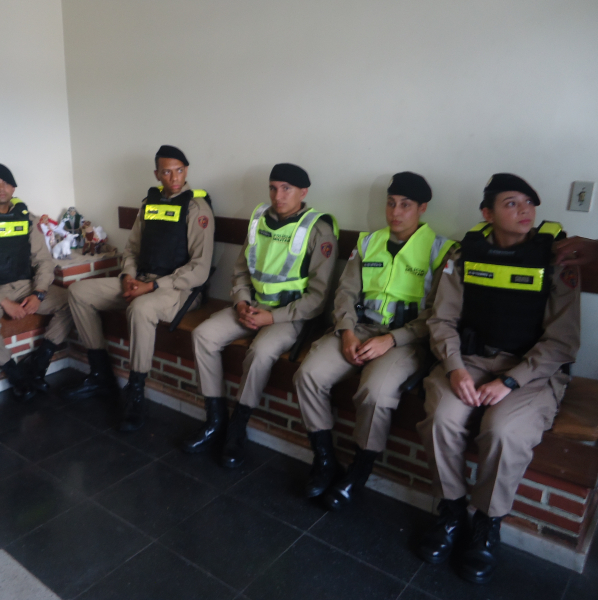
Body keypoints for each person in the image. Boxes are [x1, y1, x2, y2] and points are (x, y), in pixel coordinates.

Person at [417, 173, 580, 584]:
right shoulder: (465, 252)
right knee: (441, 418)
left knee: (504, 430)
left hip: (532, 370)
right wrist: (454, 366)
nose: (525, 210)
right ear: (487, 214)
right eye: (512, 203)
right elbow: (442, 318)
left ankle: (487, 523)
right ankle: (452, 510)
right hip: (470, 359)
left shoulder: (556, 257)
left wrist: (510, 382)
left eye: (529, 203)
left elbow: (563, 341)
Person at [294, 172, 456, 505]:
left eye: (406, 205)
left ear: (422, 208)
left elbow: (438, 314)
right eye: (391, 203)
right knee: (308, 374)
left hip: (406, 339)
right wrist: (346, 331)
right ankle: (324, 459)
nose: (395, 212)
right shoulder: (369, 242)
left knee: (376, 392)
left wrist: (392, 340)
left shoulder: (442, 250)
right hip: (360, 329)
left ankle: (359, 469)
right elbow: (346, 293)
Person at [184, 163, 339, 468]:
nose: (277, 196)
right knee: (203, 335)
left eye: (286, 189)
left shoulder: (318, 229)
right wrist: (241, 302)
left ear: (303, 192)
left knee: (261, 351)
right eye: (273, 188)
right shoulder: (259, 219)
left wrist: (271, 318)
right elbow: (242, 270)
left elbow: (318, 298)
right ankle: (214, 419)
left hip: (289, 317)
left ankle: (238, 426)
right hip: (251, 307)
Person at [63, 145, 214, 432]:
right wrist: (128, 277)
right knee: (78, 292)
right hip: (142, 280)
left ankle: (136, 390)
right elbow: (132, 249)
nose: (174, 178)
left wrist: (153, 285)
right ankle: (101, 375)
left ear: (186, 171)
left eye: (179, 171)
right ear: (157, 174)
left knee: (141, 308)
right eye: (167, 172)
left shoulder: (197, 208)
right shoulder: (149, 203)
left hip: (178, 289)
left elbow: (200, 268)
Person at [0, 163, 72, 402]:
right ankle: (15, 374)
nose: (1, 188)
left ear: (13, 188)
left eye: (7, 183)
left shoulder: (26, 217)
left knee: (74, 301)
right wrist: (3, 301)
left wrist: (39, 292)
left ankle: (39, 362)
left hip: (26, 286)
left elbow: (44, 261)